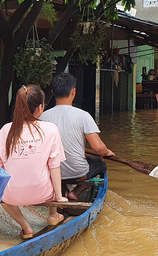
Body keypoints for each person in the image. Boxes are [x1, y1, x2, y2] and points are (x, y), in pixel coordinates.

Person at [0, 85, 67, 240]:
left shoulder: (6, 130)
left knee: (1, 193)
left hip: (11, 196)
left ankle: (26, 227)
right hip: (43, 194)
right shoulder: (51, 129)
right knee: (52, 171)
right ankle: (53, 216)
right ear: (40, 108)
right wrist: (59, 197)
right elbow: (54, 166)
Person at [40, 73, 115, 201]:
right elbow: (98, 148)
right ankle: (76, 191)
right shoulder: (83, 115)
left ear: (52, 92)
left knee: (54, 163)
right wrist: (106, 152)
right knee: (100, 164)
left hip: (52, 173)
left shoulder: (42, 117)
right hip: (79, 174)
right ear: (73, 91)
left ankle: (62, 191)